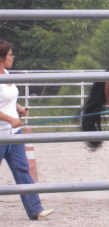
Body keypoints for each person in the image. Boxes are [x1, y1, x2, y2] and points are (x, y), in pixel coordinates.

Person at [0, 39, 53, 220]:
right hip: (0, 134)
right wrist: (10, 119)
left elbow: (8, 99)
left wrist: (18, 108)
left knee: (23, 169)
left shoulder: (6, 73)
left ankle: (35, 209)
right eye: (10, 55)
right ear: (1, 58)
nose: (12, 58)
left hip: (13, 135)